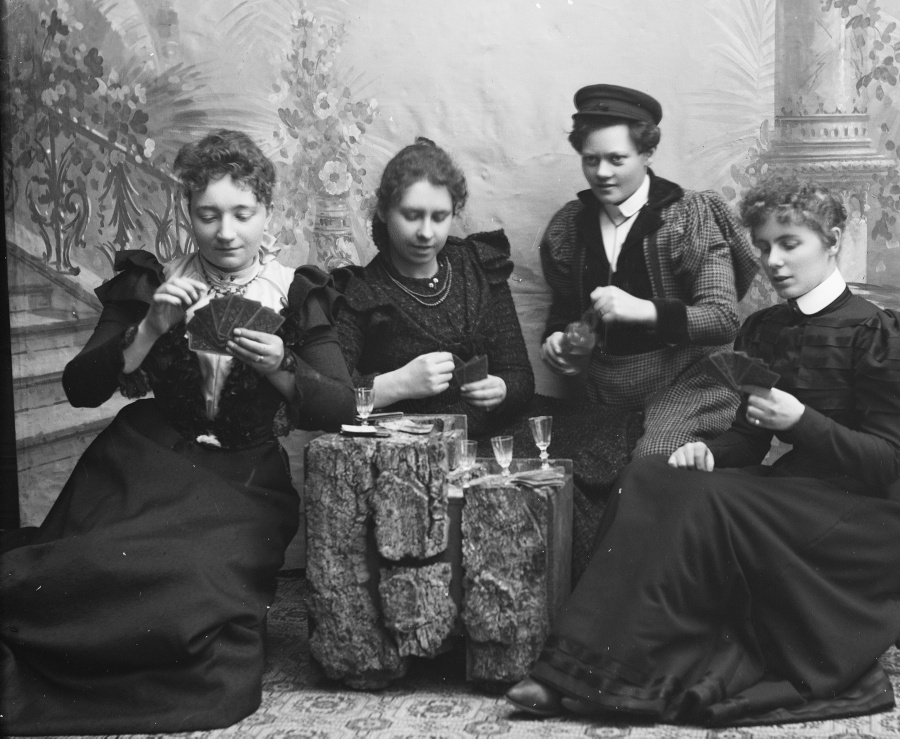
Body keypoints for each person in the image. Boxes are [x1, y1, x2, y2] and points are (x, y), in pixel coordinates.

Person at [507, 177, 900, 726]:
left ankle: (600, 679)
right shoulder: (764, 330)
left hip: (868, 510)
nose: (774, 261)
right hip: (794, 492)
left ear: (832, 242)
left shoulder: (881, 332)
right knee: (649, 475)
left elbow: (886, 461)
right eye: (764, 247)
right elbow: (749, 441)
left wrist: (801, 422)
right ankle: (583, 668)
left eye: (790, 244)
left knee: (707, 504)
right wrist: (709, 453)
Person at [0, 130, 355, 735]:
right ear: (186, 211)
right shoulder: (152, 281)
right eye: (207, 214)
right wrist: (147, 328)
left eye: (243, 214)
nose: (226, 232)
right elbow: (80, 388)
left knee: (190, 587)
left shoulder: (296, 292)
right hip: (144, 462)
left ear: (267, 212)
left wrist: (282, 365)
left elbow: (342, 404)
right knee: (87, 574)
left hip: (243, 480)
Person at [540, 83, 760, 457]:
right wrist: (559, 342)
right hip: (607, 390)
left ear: (648, 152)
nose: (601, 173)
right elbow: (565, 309)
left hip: (688, 384)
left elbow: (723, 319)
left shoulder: (688, 216)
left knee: (652, 463)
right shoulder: (570, 226)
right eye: (591, 160)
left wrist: (644, 310)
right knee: (563, 465)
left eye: (617, 159)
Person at [333, 138, 534, 441]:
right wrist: (399, 384)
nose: (426, 233)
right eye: (412, 216)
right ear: (384, 211)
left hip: (492, 443)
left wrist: (502, 389)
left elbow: (520, 375)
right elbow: (330, 399)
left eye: (439, 217)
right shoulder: (361, 292)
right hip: (408, 452)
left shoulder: (480, 266)